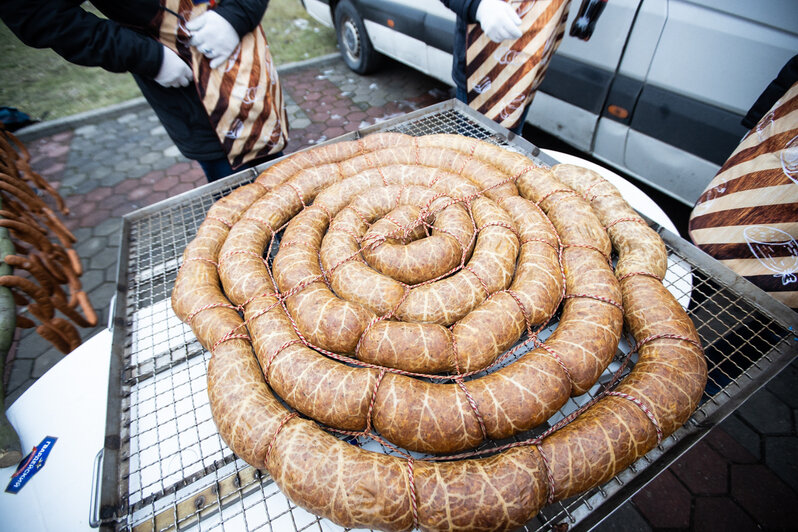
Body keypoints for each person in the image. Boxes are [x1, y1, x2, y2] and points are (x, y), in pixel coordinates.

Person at [0, 0, 289, 183]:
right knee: (236, 197)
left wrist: (238, 11)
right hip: (190, 93)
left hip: (254, 69)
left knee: (281, 173)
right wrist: (149, 58)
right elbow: (40, 14)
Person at [688, 56, 798, 311]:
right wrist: (757, 121)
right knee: (718, 234)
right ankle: (692, 300)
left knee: (777, 293)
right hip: (782, 144)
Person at [441, 0, 604, 136]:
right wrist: (477, 5)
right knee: (472, 156)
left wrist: (588, 16)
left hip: (532, 63)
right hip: (483, 71)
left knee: (509, 151)